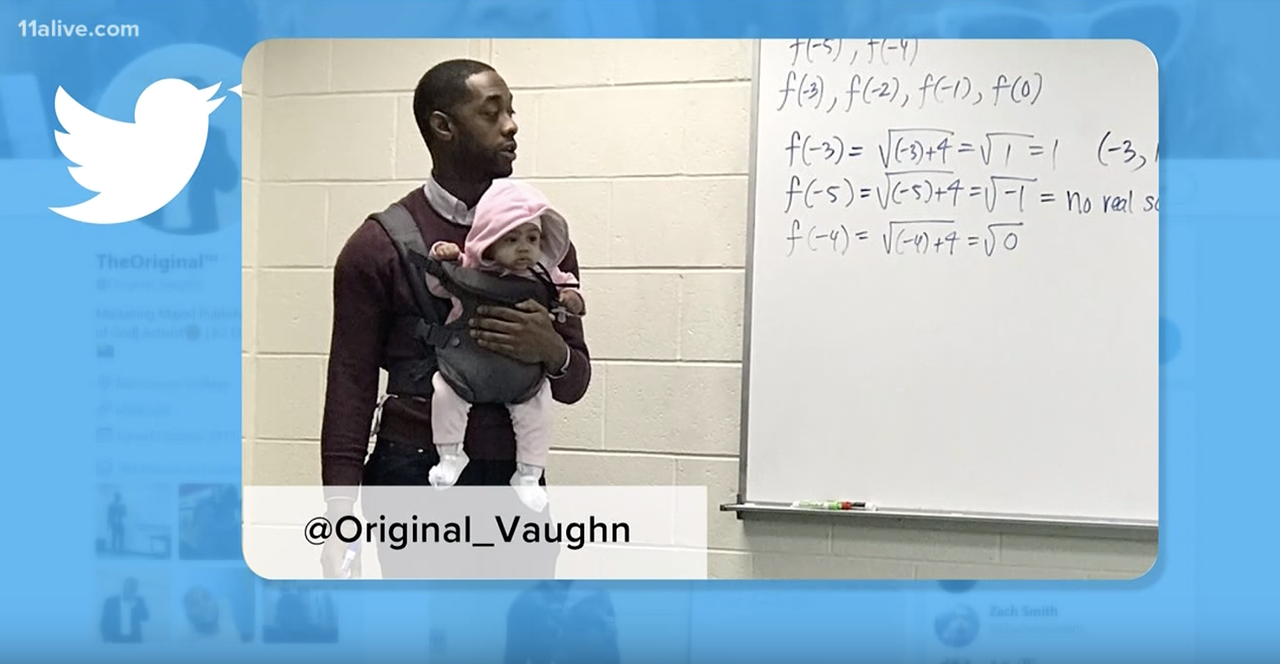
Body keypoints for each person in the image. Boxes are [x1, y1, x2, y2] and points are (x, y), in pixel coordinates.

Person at [318, 58, 592, 579]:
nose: (512, 125)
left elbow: (575, 382)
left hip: (517, 481)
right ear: (444, 126)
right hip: (413, 474)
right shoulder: (377, 246)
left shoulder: (545, 244)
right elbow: (349, 387)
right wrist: (338, 524)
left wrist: (550, 348)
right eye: (493, 113)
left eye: (512, 111)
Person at [423, 178, 586, 513]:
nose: (525, 248)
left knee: (538, 408)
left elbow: (569, 289)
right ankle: (450, 454)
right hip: (468, 365)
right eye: (511, 239)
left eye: (532, 238)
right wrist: (444, 255)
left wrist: (572, 300)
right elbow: (439, 284)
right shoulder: (469, 268)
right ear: (489, 241)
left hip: (522, 378)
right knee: (444, 391)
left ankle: (528, 474)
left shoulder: (546, 273)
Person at [99, 577, 149, 643]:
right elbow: (104, 622)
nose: (133, 588)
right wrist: (107, 639)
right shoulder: (111, 601)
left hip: (134, 640)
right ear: (124, 586)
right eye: (130, 585)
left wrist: (136, 605)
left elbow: (145, 617)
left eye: (135, 585)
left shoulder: (139, 601)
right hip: (115, 640)